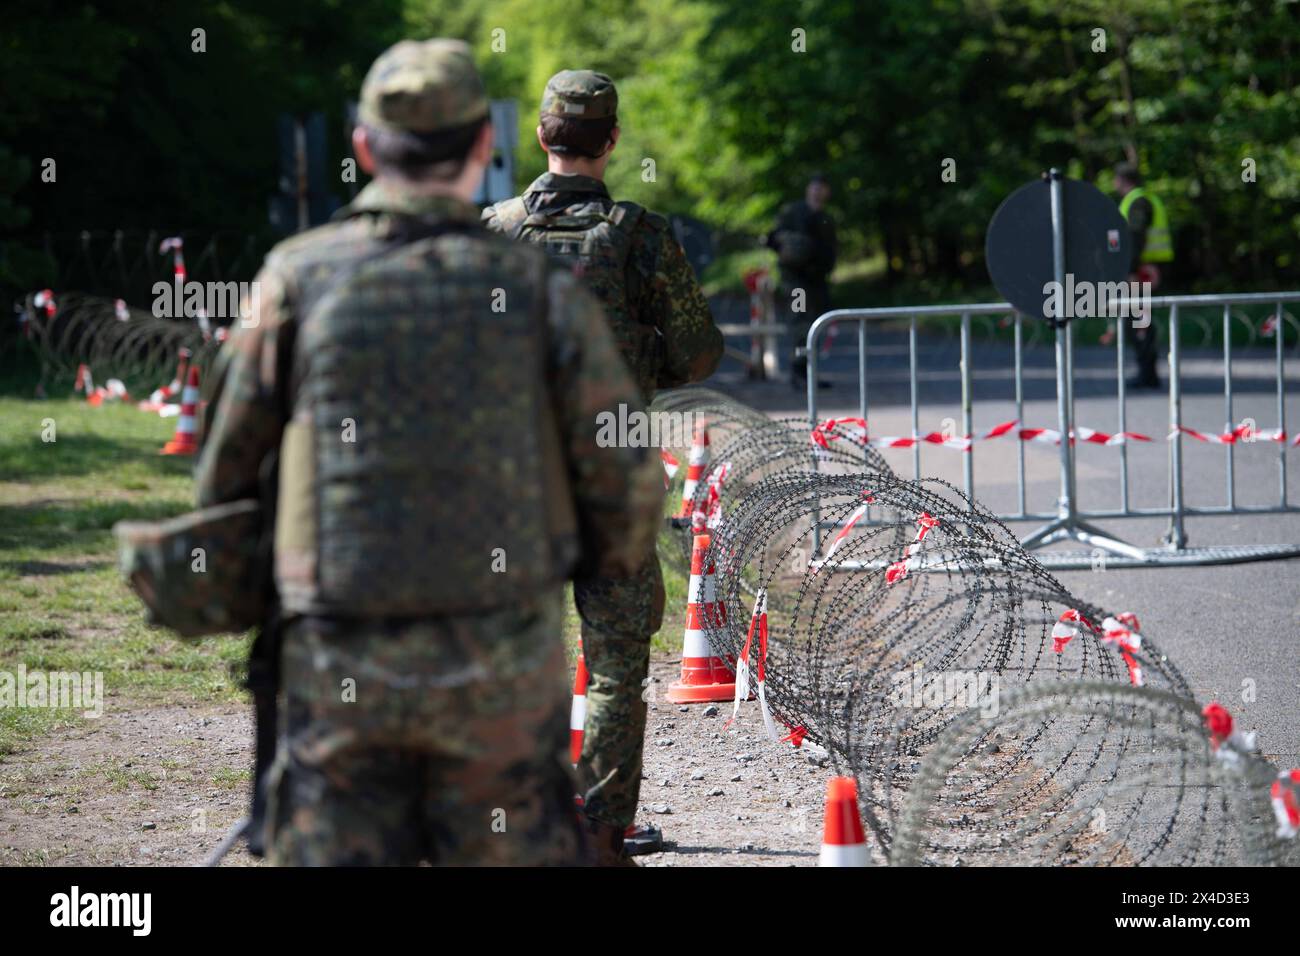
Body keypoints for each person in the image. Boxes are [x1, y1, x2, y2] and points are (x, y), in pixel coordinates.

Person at [193, 39, 662, 865]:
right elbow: (620, 490)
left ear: (364, 148)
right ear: (485, 146)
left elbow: (224, 484)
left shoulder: (295, 280)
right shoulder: (540, 289)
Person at [483, 69, 723, 865]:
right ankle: (598, 831)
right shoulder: (639, 234)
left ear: (543, 138)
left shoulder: (491, 231)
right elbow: (697, 353)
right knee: (617, 659)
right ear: (611, 139)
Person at [766, 174, 837, 388]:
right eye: (814, 187)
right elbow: (771, 239)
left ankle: (808, 373)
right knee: (800, 324)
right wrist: (788, 242)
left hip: (817, 282)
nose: (817, 192)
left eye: (821, 188)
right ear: (808, 190)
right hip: (796, 282)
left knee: (817, 325)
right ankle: (798, 372)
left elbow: (830, 251)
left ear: (827, 192)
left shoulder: (826, 218)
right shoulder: (792, 213)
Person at [1113, 161, 1173, 389]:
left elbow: (1136, 237)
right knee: (1141, 319)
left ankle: (1147, 373)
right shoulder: (1145, 199)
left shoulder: (1137, 202)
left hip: (1145, 269)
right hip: (1149, 267)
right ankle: (1148, 373)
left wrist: (1130, 271)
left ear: (1121, 180)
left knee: (1138, 321)